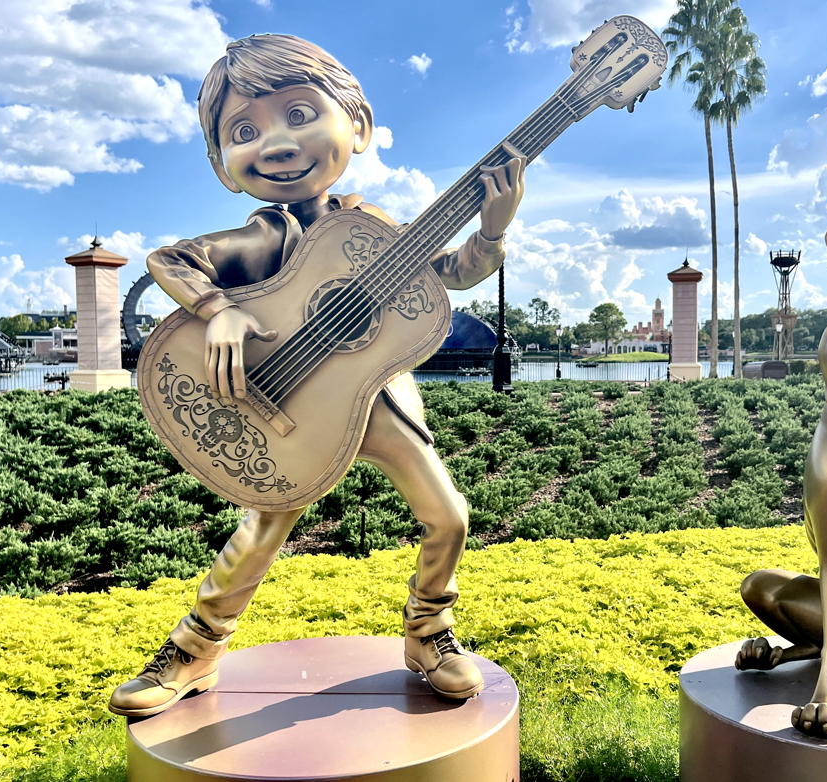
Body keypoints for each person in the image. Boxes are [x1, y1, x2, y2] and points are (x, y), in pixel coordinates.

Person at [109, 33, 525, 717]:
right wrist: (218, 311)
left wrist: (492, 231)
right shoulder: (268, 233)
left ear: (357, 126)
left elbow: (448, 278)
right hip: (289, 408)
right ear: (223, 164)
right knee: (259, 535)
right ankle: (195, 649)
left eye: (299, 115)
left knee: (449, 516)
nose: (275, 143)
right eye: (245, 130)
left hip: (377, 398)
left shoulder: (369, 227)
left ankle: (428, 634)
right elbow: (172, 259)